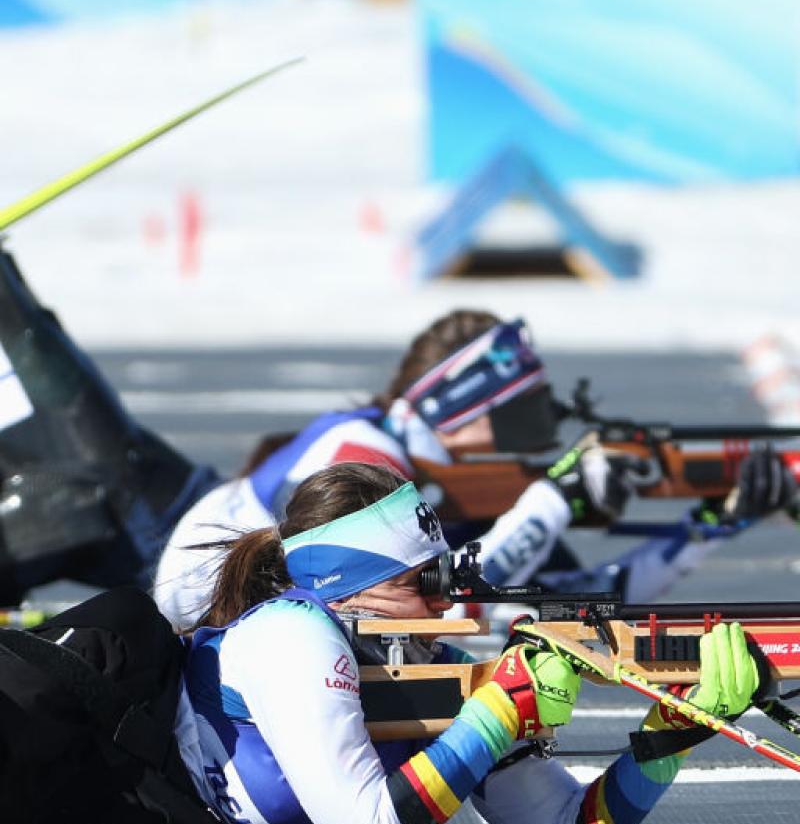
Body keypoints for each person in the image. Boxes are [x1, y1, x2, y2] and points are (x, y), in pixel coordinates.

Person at [0, 461, 770, 824]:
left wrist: (670, 733)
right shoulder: (295, 637)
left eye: (439, 573)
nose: (442, 600)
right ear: (343, 588)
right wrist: (497, 716)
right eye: (417, 581)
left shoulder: (425, 667)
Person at [0, 245, 794, 629]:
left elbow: (572, 606)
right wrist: (553, 502)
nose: (523, 443)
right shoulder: (359, 452)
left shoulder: (453, 496)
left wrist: (707, 528)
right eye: (512, 420)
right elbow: (435, 589)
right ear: (450, 405)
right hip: (172, 575)